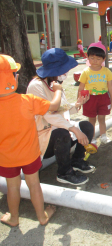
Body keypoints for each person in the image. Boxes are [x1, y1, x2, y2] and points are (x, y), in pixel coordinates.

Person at [0, 55, 59, 226]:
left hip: (6, 158)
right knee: (34, 184)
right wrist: (59, 91)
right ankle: (42, 217)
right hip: (30, 155)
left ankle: (14, 218)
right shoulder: (28, 101)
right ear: (15, 77)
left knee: (12, 187)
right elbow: (54, 106)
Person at [27, 48, 93, 186]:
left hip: (59, 129)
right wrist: (74, 129)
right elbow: (49, 115)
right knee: (62, 133)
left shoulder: (55, 84)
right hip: (43, 135)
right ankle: (64, 172)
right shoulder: (36, 86)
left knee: (87, 126)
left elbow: (61, 109)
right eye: (64, 69)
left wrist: (77, 104)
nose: (66, 73)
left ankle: (76, 161)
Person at [78, 42, 112, 143]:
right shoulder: (85, 72)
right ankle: (92, 138)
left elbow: (110, 87)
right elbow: (81, 87)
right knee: (91, 119)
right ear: (88, 58)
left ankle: (103, 136)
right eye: (92, 58)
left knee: (102, 118)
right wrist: (79, 101)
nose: (95, 61)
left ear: (103, 59)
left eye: (98, 59)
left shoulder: (106, 71)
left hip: (103, 97)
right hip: (89, 98)